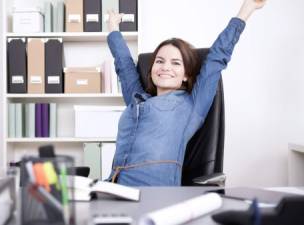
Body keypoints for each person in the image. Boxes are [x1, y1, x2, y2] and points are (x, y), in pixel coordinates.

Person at [106, 0, 267, 186]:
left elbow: (216, 58)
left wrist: (246, 10)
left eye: (176, 63)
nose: (165, 67)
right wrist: (112, 26)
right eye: (159, 61)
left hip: (153, 194)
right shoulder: (137, 99)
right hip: (113, 189)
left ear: (186, 75)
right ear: (151, 70)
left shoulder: (191, 105)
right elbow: (124, 65)